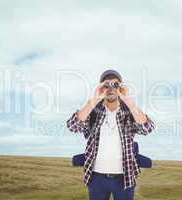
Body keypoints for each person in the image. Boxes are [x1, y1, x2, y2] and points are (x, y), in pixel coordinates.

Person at [66, 69, 155, 200]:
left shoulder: (129, 112)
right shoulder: (93, 112)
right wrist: (94, 100)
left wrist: (129, 102)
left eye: (116, 84)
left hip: (125, 177)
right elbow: (72, 126)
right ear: (101, 88)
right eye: (106, 84)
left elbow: (147, 128)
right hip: (96, 178)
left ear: (121, 88)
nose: (111, 88)